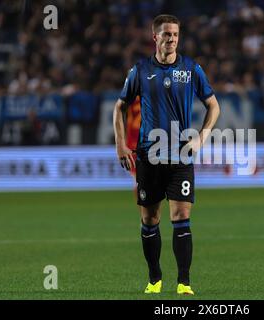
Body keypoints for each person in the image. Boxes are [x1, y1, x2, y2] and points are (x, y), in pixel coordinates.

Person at [113, 14, 221, 295]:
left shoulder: (191, 69)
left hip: (181, 156)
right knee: (150, 219)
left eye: (174, 34)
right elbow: (119, 107)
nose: (171, 39)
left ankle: (184, 282)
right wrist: (121, 144)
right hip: (149, 156)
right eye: (166, 34)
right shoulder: (139, 71)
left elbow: (213, 105)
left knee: (181, 214)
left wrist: (202, 136)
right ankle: (154, 277)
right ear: (155, 37)